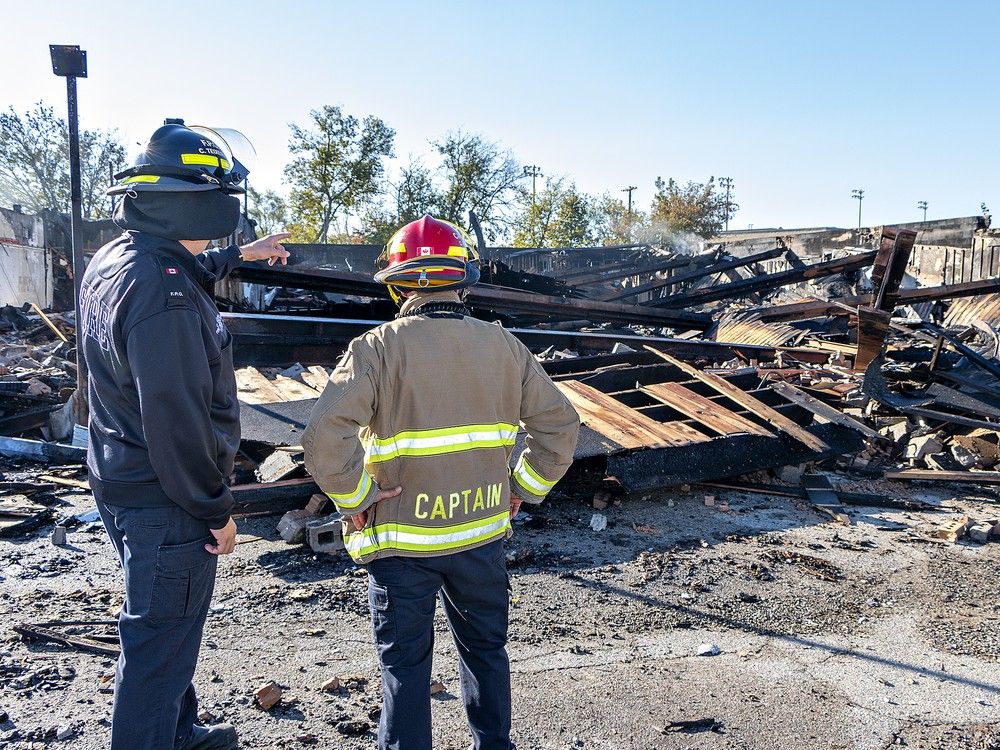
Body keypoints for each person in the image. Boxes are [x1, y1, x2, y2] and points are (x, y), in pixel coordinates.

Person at [303, 215, 580, 750]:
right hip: (480, 536)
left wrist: (357, 497)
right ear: (461, 278)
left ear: (399, 282)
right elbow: (560, 427)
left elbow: (322, 439)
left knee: (406, 666)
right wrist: (522, 487)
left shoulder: (377, 348)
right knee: (486, 651)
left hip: (402, 543)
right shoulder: (504, 346)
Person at [80, 119, 290, 750]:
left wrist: (236, 259)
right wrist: (212, 508)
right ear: (196, 200)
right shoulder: (162, 292)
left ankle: (178, 733)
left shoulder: (122, 258)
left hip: (122, 480)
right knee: (159, 642)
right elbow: (175, 414)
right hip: (166, 498)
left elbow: (177, 266)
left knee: (167, 633)